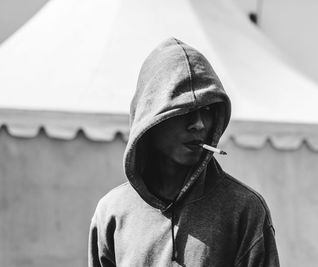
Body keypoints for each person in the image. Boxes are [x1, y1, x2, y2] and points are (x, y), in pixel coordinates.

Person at [88, 37, 280, 267]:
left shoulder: (243, 211)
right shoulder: (113, 213)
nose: (199, 124)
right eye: (184, 109)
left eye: (207, 110)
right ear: (151, 118)